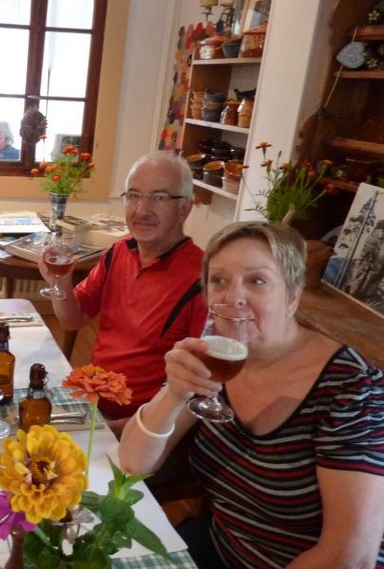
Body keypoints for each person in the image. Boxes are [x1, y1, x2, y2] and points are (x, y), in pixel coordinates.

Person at [118, 221, 384, 568]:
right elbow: (133, 463)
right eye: (219, 280)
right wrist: (175, 394)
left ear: (292, 296)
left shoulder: (353, 389)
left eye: (257, 281)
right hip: (223, 546)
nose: (232, 298)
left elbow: (350, 557)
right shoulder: (216, 356)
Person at [38, 151, 208, 432]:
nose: (142, 210)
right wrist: (61, 283)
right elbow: (72, 319)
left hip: (145, 424)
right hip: (94, 403)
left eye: (159, 197)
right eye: (134, 195)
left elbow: (198, 391)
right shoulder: (119, 251)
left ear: (184, 209)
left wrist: (124, 429)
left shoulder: (204, 280)